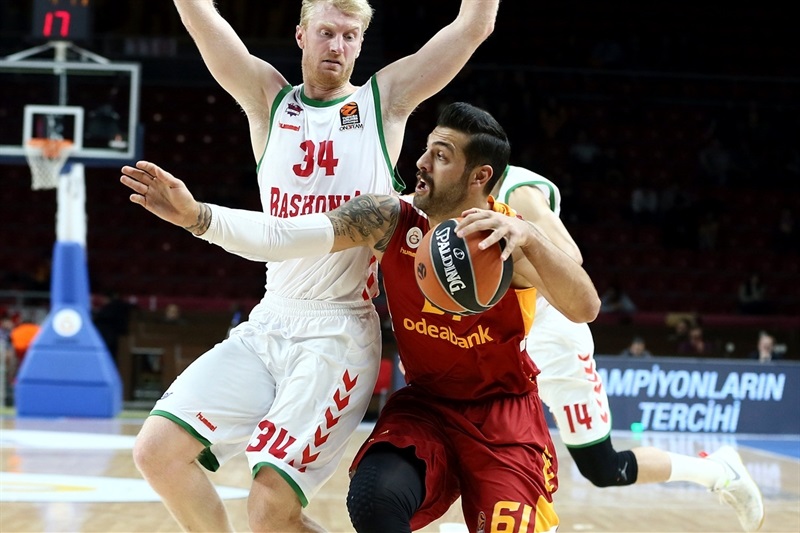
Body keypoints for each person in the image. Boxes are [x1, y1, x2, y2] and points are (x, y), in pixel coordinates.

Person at [122, 102, 602, 533]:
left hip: (503, 415)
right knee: (374, 502)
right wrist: (198, 217)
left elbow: (586, 307)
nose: (420, 162)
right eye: (426, 148)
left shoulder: (505, 243)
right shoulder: (387, 218)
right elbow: (283, 236)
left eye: (441, 155)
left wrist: (533, 236)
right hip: (428, 407)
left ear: (478, 176)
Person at [133, 1, 502, 532]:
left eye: (351, 36)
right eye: (327, 32)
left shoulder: (384, 101)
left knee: (268, 511)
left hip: (337, 332)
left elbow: (474, 26)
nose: (338, 46)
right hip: (270, 320)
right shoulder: (267, 99)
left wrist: (198, 217)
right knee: (157, 453)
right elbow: (199, 17)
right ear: (302, 35)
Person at [491, 165, 764, 532]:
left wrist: (523, 238)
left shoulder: (516, 189)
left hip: (552, 332)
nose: (426, 161)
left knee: (603, 467)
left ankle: (717, 472)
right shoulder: (442, 193)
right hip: (501, 332)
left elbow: (570, 257)